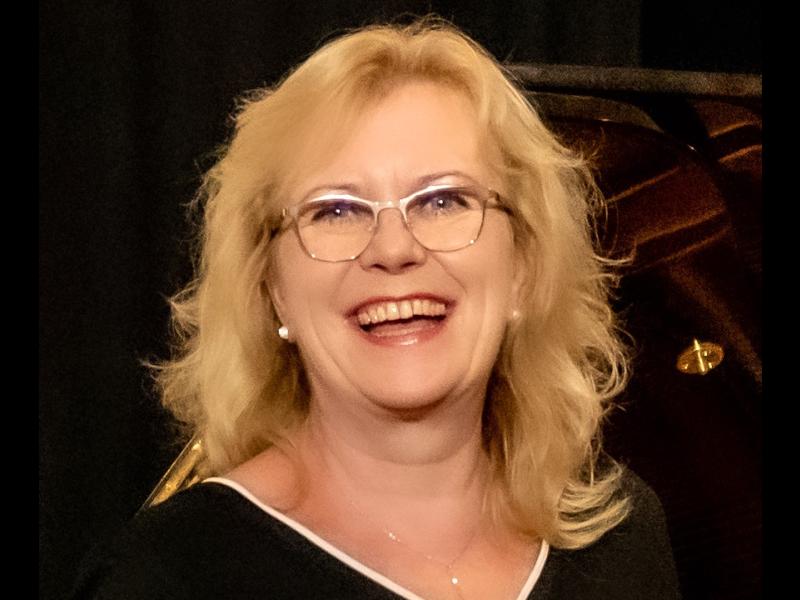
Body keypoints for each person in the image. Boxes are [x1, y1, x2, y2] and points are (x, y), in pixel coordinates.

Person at [71, 17, 681, 600]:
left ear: (523, 266)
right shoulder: (166, 578)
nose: (394, 249)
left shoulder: (622, 539)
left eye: (443, 201)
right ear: (271, 286)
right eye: (335, 210)